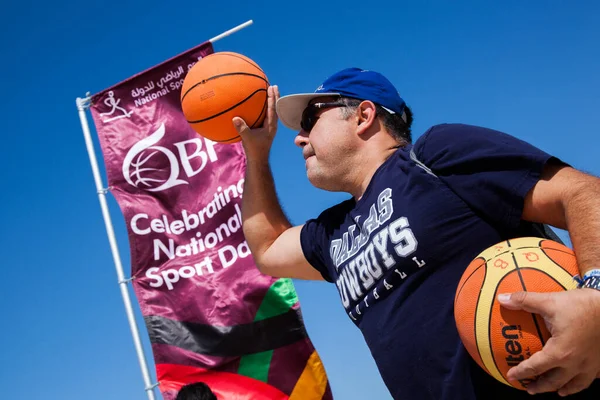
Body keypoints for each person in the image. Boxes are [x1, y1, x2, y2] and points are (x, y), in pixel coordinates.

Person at [231, 67, 600, 400]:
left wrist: (595, 297)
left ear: (363, 116)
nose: (299, 138)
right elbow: (267, 249)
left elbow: (581, 193)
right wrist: (257, 155)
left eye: (311, 119)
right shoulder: (332, 232)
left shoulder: (433, 157)